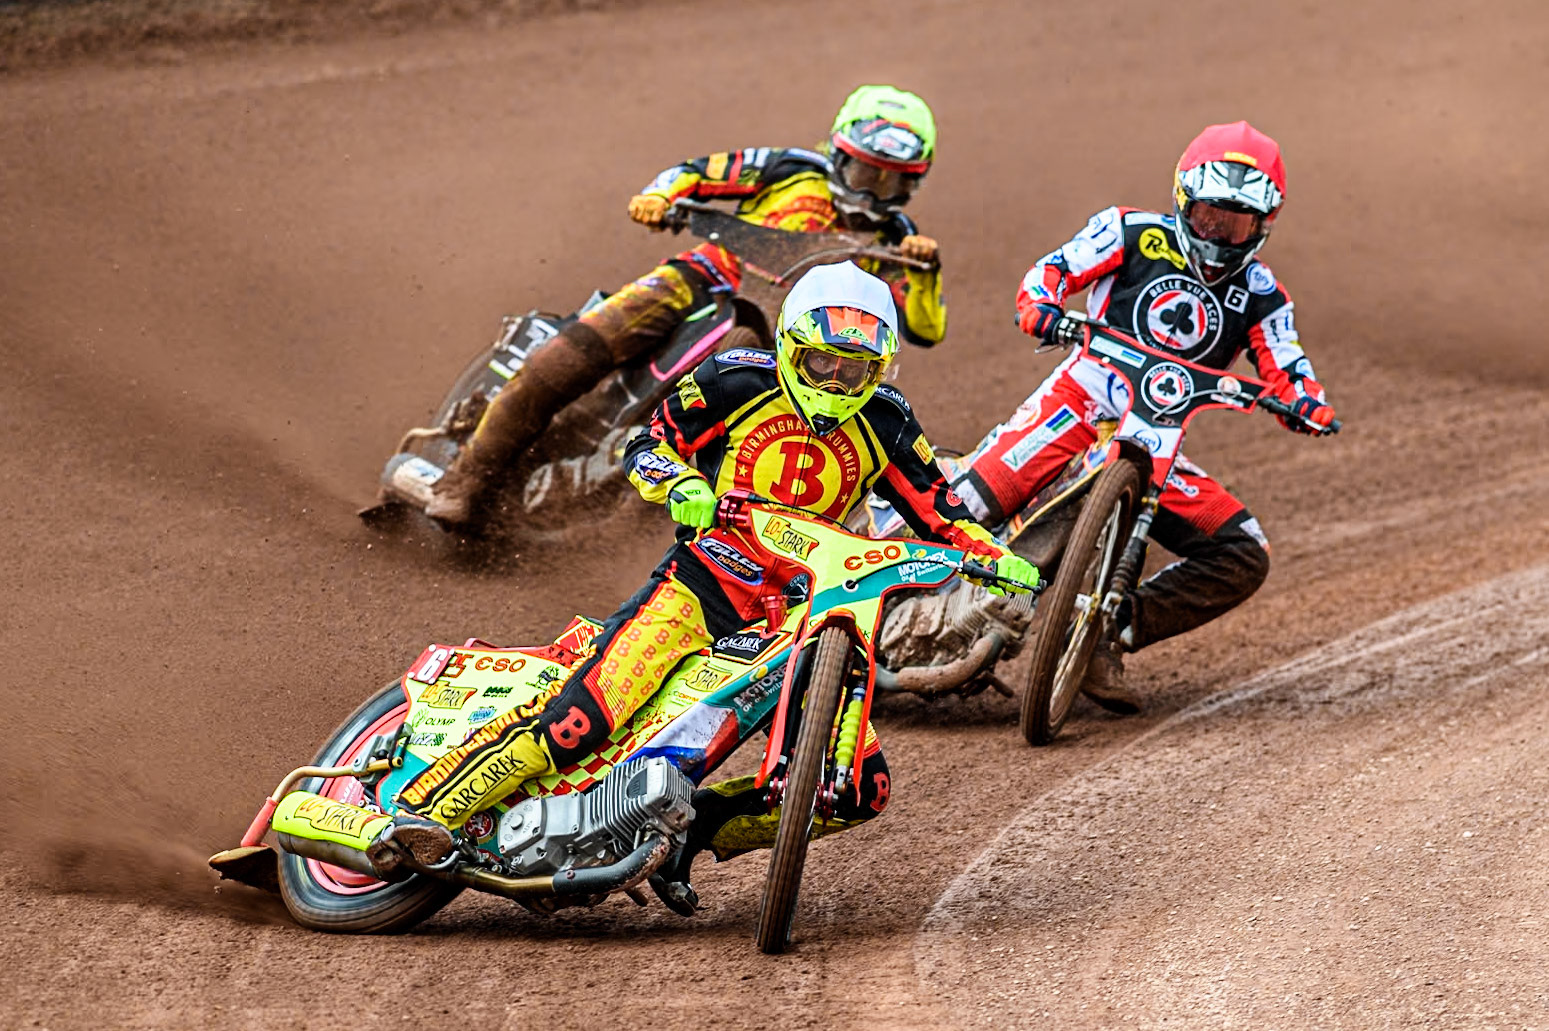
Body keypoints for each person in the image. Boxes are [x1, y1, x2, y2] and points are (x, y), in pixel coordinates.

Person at [307, 263, 1033, 894]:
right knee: (583, 717)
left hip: (805, 612)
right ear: (790, 349)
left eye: (855, 368)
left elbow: (943, 513)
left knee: (855, 790)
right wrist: (680, 484)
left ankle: (685, 837)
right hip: (704, 581)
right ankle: (422, 812)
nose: (838, 382)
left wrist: (996, 555)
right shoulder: (732, 378)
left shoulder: (888, 420)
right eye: (823, 365)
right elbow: (646, 442)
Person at [427, 84, 948, 527]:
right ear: (839, 155)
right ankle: (467, 475)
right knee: (573, 353)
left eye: (894, 180)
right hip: (703, 277)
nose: (877, 192)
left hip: (782, 341)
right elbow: (697, 171)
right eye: (867, 174)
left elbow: (927, 328)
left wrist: (926, 271)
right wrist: (659, 197)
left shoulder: (897, 239)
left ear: (915, 182)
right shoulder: (791, 169)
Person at [951, 121, 1336, 714]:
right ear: (1184, 200)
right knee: (963, 508)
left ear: (1263, 224)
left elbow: (1289, 363)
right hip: (1077, 403)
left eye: (1233, 223)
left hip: (1155, 436)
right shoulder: (1128, 230)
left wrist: (1307, 403)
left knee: (1244, 551)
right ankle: (865, 612)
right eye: (1209, 215)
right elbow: (1049, 272)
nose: (1217, 234)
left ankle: (1107, 633)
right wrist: (1043, 309)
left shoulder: (1263, 296)